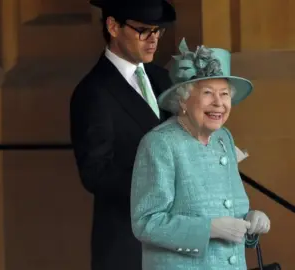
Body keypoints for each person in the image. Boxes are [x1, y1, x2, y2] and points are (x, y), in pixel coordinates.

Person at [130, 38, 271, 269]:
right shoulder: (159, 143)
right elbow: (146, 223)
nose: (219, 103)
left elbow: (230, 213)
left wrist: (251, 221)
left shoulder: (223, 138)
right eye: (208, 93)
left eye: (225, 94)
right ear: (183, 99)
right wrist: (210, 229)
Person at [69, 0, 176, 269]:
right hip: (128, 243)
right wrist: (163, 186)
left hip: (175, 239)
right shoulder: (93, 91)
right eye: (143, 30)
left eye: (158, 31)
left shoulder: (162, 78)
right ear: (113, 26)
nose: (153, 40)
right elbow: (96, 173)